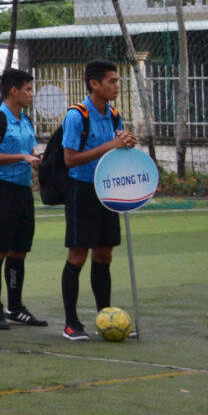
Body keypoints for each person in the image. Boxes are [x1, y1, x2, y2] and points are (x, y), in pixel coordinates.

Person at [59, 59, 137, 342]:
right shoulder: (76, 115)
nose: (117, 86)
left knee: (104, 254)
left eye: (117, 81)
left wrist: (126, 143)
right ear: (94, 84)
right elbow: (70, 159)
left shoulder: (114, 114)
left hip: (108, 190)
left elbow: (115, 149)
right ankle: (71, 323)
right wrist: (110, 145)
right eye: (112, 81)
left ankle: (106, 317)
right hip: (81, 190)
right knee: (78, 255)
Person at [0, 67, 46, 330]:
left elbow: (30, 152)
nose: (31, 93)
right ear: (13, 90)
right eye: (27, 89)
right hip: (0, 191)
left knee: (19, 251)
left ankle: (15, 307)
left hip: (23, 192)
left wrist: (38, 160)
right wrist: (22, 157)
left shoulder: (25, 121)